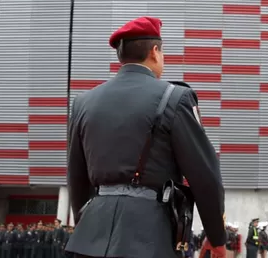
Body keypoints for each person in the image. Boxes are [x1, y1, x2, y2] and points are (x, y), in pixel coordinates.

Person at [66, 16, 227, 258]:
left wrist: (86, 221)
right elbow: (205, 174)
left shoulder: (83, 102)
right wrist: (217, 238)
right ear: (154, 52)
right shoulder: (175, 98)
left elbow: (76, 176)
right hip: (150, 238)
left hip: (90, 238)